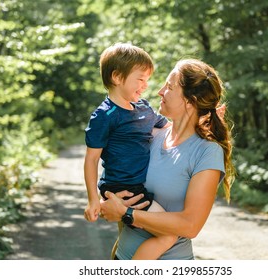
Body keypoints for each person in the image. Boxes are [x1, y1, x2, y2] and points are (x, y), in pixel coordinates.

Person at [99, 58, 234, 260]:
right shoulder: (150, 134)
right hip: (121, 256)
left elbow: (190, 225)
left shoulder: (207, 152)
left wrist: (126, 214)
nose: (160, 91)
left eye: (169, 87)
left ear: (191, 101)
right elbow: (115, 174)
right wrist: (108, 201)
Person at [83, 43, 177, 260]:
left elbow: (170, 128)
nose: (145, 85)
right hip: (123, 188)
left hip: (140, 184)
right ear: (117, 77)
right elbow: (91, 159)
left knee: (130, 239)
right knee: (169, 234)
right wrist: (92, 200)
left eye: (147, 80)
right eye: (140, 79)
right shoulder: (105, 116)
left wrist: (203, 120)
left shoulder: (143, 107)